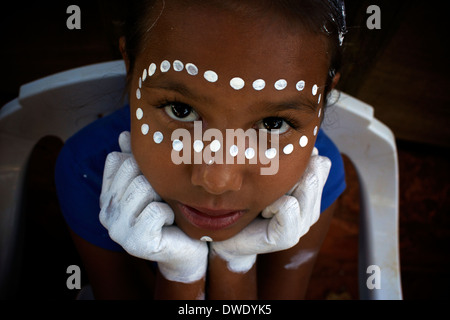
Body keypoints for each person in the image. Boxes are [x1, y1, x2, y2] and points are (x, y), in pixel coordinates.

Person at [55, 0, 347, 299]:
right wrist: (181, 272)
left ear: (325, 96)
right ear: (130, 64)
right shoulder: (87, 170)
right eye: (181, 110)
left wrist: (236, 262)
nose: (217, 180)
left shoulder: (317, 178)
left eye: (273, 124)